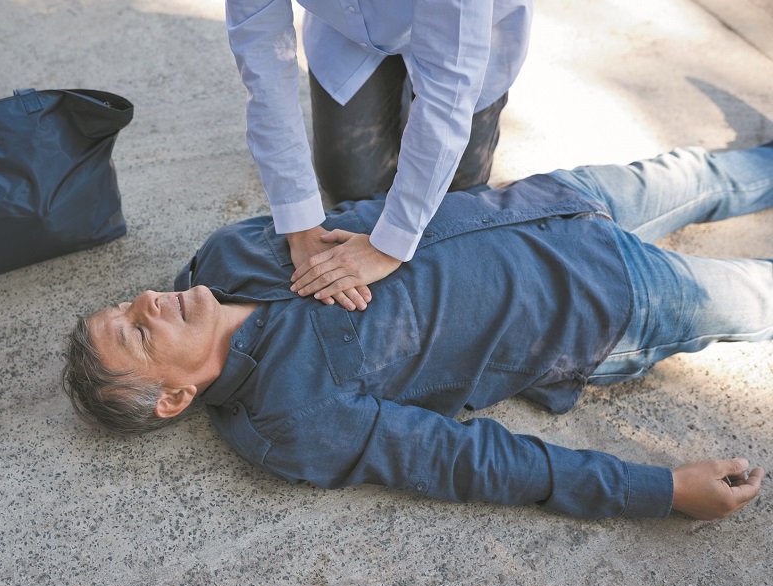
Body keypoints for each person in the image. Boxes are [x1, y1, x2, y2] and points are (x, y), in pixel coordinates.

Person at [62, 142, 773, 521]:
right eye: (136, 333)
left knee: (705, 171)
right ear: (173, 399)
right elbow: (469, 464)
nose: (151, 300)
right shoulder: (292, 420)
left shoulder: (224, 255)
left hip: (550, 202)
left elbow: (371, 209)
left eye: (128, 305)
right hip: (605, 302)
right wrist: (662, 490)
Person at [222, 0, 535, 311]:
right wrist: (299, 225)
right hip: (348, 27)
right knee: (353, 183)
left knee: (458, 198)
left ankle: (412, 105)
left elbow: (450, 82)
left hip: (469, 34)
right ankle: (403, 102)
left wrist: (390, 244)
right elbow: (261, 48)